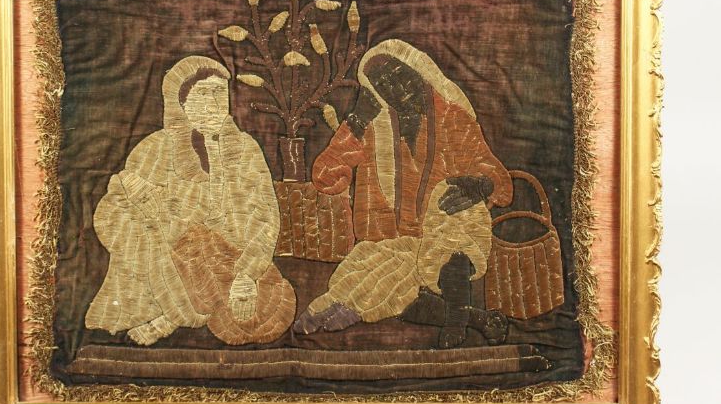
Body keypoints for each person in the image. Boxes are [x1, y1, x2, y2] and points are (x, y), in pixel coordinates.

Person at [293, 39, 513, 347]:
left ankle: (455, 321)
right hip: (396, 244)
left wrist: (480, 185)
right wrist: (356, 121)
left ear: (418, 71)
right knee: (368, 279)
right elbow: (325, 178)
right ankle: (474, 319)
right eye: (383, 84)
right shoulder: (372, 127)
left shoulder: (453, 118)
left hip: (446, 237)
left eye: (399, 74)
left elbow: (499, 182)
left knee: (454, 200)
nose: (396, 87)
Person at [85, 56, 295, 346]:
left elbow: (267, 217)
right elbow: (114, 209)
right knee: (188, 256)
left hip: (230, 256)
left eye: (220, 92)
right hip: (170, 255)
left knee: (270, 310)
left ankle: (187, 311)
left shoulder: (246, 148)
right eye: (203, 92)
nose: (214, 102)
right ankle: (172, 316)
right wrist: (146, 208)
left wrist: (247, 274)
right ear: (181, 102)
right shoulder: (156, 147)